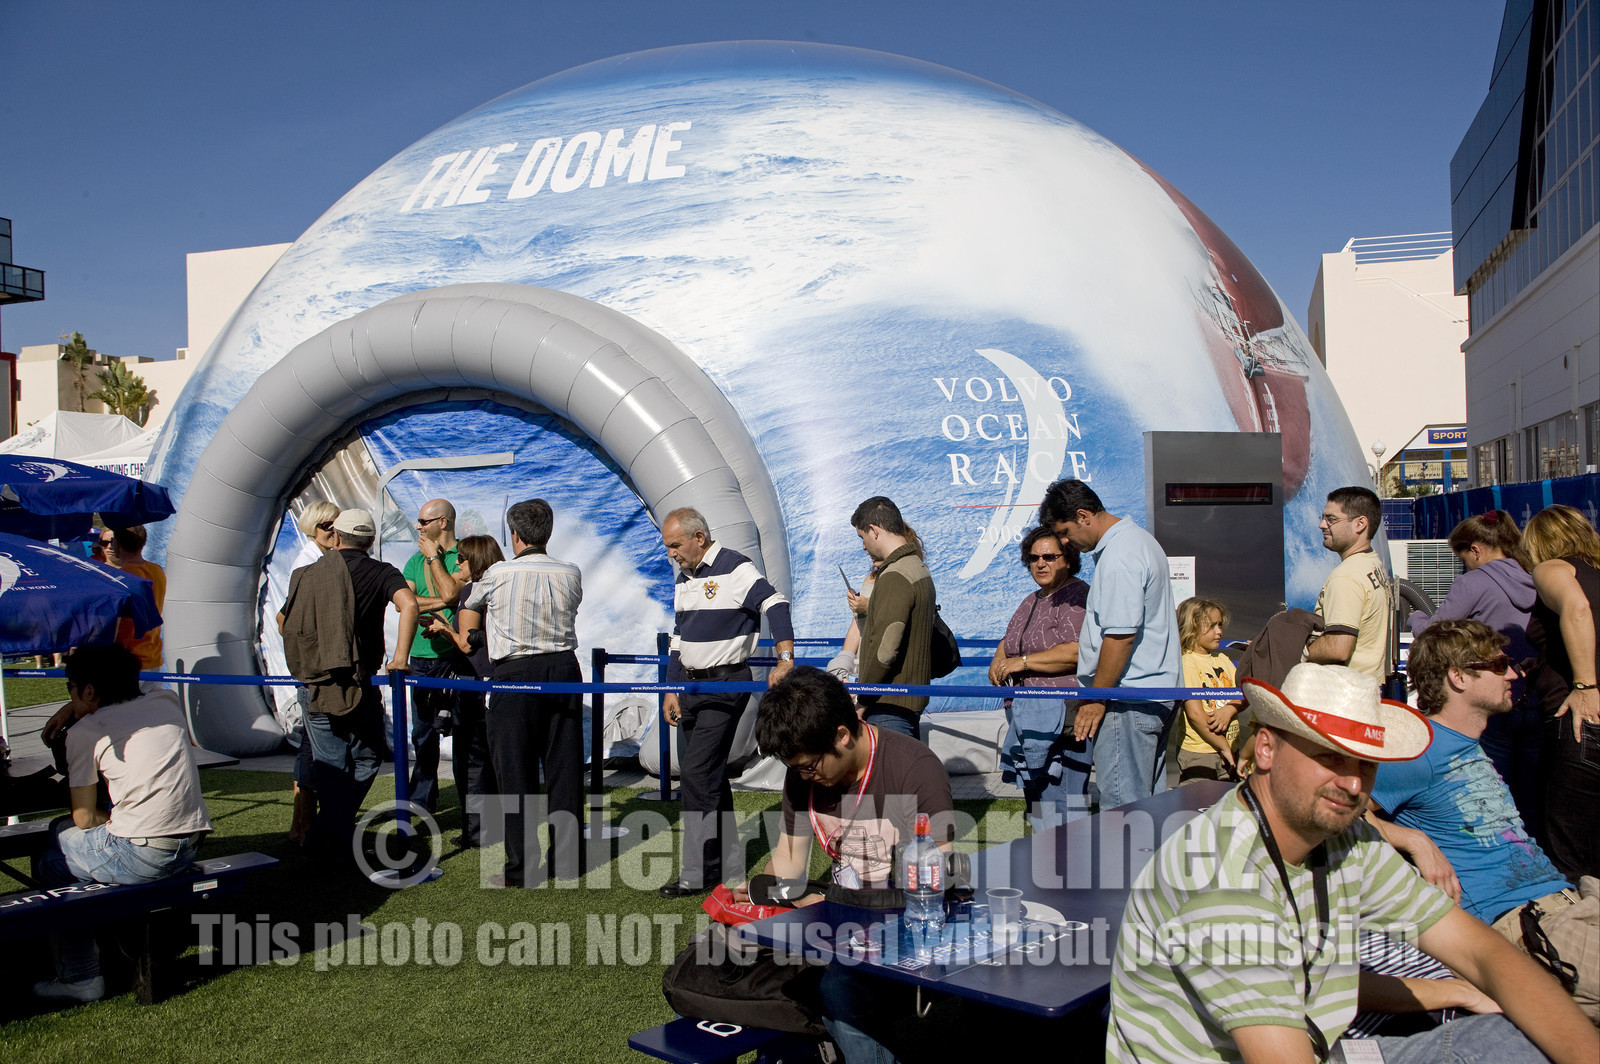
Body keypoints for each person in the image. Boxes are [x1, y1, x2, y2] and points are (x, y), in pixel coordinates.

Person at [1108, 661, 1598, 1064]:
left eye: (1365, 762)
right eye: (1330, 756)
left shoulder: (1346, 837)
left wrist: (1462, 991)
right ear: (1265, 748)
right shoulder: (1220, 876)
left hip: (1324, 1044)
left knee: (1518, 1038)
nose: (1352, 783)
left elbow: (1481, 952)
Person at [1368, 619, 1598, 1023]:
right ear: (1458, 676)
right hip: (1519, 929)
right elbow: (1341, 814)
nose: (1513, 673)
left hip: (1568, 904)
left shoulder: (1471, 745)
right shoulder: (1416, 748)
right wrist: (1412, 840)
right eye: (1498, 664)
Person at [733, 666, 953, 1063]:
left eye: (810, 766)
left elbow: (934, 880)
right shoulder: (803, 775)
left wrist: (823, 903)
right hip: (833, 925)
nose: (805, 776)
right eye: (795, 768)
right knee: (723, 964)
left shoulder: (915, 769)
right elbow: (789, 861)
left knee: (839, 989)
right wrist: (752, 899)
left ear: (842, 735)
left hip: (903, 934)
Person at [33, 644, 212, 1002]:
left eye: (71, 687)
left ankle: (81, 976)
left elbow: (84, 818)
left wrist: (76, 710)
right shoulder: (165, 703)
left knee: (52, 857)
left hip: (144, 854)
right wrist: (77, 702)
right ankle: (116, 941)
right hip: (190, 844)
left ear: (87, 690)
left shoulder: (86, 732)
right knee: (61, 837)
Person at [658, 506, 794, 898]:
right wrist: (671, 688)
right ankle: (727, 865)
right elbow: (678, 638)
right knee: (709, 775)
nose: (672, 553)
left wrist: (785, 658)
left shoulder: (736, 567)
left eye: (676, 545)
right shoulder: (683, 577)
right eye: (668, 547)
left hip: (725, 684)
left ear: (699, 537)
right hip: (689, 686)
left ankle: (696, 872)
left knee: (697, 773)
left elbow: (775, 603)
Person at [279, 507, 418, 867]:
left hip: (315, 683)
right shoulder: (381, 571)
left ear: (337, 537)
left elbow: (284, 621)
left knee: (332, 765)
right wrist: (400, 657)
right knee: (366, 756)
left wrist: (318, 646)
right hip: (360, 683)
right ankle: (332, 837)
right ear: (371, 541)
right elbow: (410, 605)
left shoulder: (308, 574)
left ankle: (326, 835)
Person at [459, 499, 583, 886]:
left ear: (514, 535)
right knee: (564, 770)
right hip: (564, 668)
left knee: (515, 771)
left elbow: (467, 605)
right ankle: (567, 862)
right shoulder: (571, 572)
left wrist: (482, 633)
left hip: (515, 672)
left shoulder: (497, 573)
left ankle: (521, 868)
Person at [1039, 478, 1182, 809]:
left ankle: (1127, 862)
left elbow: (1120, 636)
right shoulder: (1140, 542)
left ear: (1084, 515)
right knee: (1148, 807)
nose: (1065, 542)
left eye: (1064, 532)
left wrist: (1097, 698)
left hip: (1126, 700)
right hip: (1153, 694)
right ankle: (1152, 861)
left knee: (1123, 811)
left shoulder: (1119, 557)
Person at [1406, 510, 1541, 830]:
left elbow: (1434, 634)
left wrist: (1415, 619)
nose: (1464, 564)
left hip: (1490, 699)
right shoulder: (1536, 576)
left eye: (1463, 557)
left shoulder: (1473, 583)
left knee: (1495, 792)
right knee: (1533, 795)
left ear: (1477, 549)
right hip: (1535, 694)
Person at [988, 526, 1093, 829]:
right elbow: (1009, 641)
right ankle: (1046, 869)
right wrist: (999, 661)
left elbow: (1075, 652)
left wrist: (1020, 663)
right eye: (1033, 558)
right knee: (1039, 805)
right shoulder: (1031, 599)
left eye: (1049, 556)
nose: (1040, 563)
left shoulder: (1077, 596)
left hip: (1063, 719)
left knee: (1063, 806)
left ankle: (1071, 871)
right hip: (1027, 717)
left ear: (1069, 559)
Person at [1522, 504, 1600, 885]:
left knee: (1573, 861)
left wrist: (1585, 685)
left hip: (1582, 724)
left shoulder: (1553, 568)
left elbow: (1578, 607)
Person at [424, 534, 504, 848]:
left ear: (475, 560)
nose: (457, 563)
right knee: (493, 757)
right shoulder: (503, 587)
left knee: (471, 758)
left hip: (476, 682)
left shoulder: (474, 590)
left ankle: (478, 831)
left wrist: (444, 627)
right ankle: (495, 826)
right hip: (499, 679)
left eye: (461, 558)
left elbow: (466, 644)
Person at [403, 498, 469, 816]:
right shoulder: (413, 560)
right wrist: (437, 603)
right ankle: (421, 802)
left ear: (442, 522)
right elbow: (405, 602)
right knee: (423, 734)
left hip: (456, 656)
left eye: (423, 521)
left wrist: (433, 560)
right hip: (420, 657)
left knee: (464, 734)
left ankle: (472, 806)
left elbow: (453, 594)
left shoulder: (464, 557)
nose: (419, 527)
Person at [850, 496, 935, 738]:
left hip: (888, 705)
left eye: (862, 537)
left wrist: (863, 698)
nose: (863, 546)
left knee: (887, 775)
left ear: (874, 531)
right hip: (906, 701)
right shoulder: (917, 567)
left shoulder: (895, 575)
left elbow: (886, 651)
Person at [285, 500, 340, 846]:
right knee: (311, 746)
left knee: (318, 745)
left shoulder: (321, 559)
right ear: (313, 528)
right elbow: (285, 620)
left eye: (337, 524)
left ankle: (308, 824)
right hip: (314, 673)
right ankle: (302, 825)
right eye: (326, 526)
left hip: (319, 670)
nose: (333, 531)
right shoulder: (306, 563)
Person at [1306, 486, 1393, 682]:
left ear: (1360, 524)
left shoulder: (1346, 577)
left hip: (1346, 697)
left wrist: (1293, 648)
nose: (1322, 525)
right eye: (1323, 518)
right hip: (1367, 692)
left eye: (1331, 519)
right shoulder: (1372, 563)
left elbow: (1339, 648)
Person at [1176, 597, 1243, 784]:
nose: (1219, 632)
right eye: (1212, 626)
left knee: (1227, 810)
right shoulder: (1187, 662)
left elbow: (1244, 693)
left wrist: (1229, 710)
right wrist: (1223, 747)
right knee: (1197, 808)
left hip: (1229, 751)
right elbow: (1196, 715)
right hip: (1200, 754)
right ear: (1192, 626)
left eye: (1220, 625)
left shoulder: (1222, 659)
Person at [100, 524, 165, 677]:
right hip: (153, 657)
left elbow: (110, 623)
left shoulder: (120, 578)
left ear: (117, 544)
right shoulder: (157, 570)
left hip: (127, 661)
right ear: (143, 543)